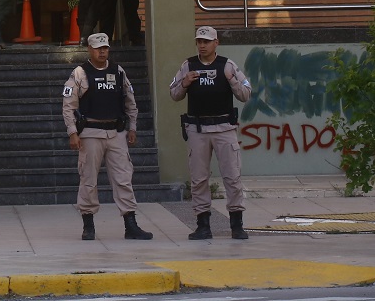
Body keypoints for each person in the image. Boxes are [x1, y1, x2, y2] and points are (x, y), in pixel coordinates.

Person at [61, 32, 153, 242]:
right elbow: (68, 106)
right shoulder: (80, 73)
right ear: (89, 50)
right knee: (88, 179)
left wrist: (133, 127)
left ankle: (131, 225)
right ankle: (88, 225)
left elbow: (130, 100)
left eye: (105, 47)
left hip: (116, 133)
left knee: (123, 178)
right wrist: (72, 132)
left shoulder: (118, 71)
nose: (102, 51)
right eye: (97, 47)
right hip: (90, 133)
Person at [169, 25, 252, 240]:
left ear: (216, 43)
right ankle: (203, 224)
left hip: (224, 128)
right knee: (199, 178)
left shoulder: (227, 65)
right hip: (198, 129)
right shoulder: (188, 65)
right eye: (199, 41)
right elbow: (174, 93)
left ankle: (236, 224)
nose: (202, 45)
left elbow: (246, 93)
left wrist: (230, 79)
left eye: (207, 41)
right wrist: (185, 83)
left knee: (232, 176)